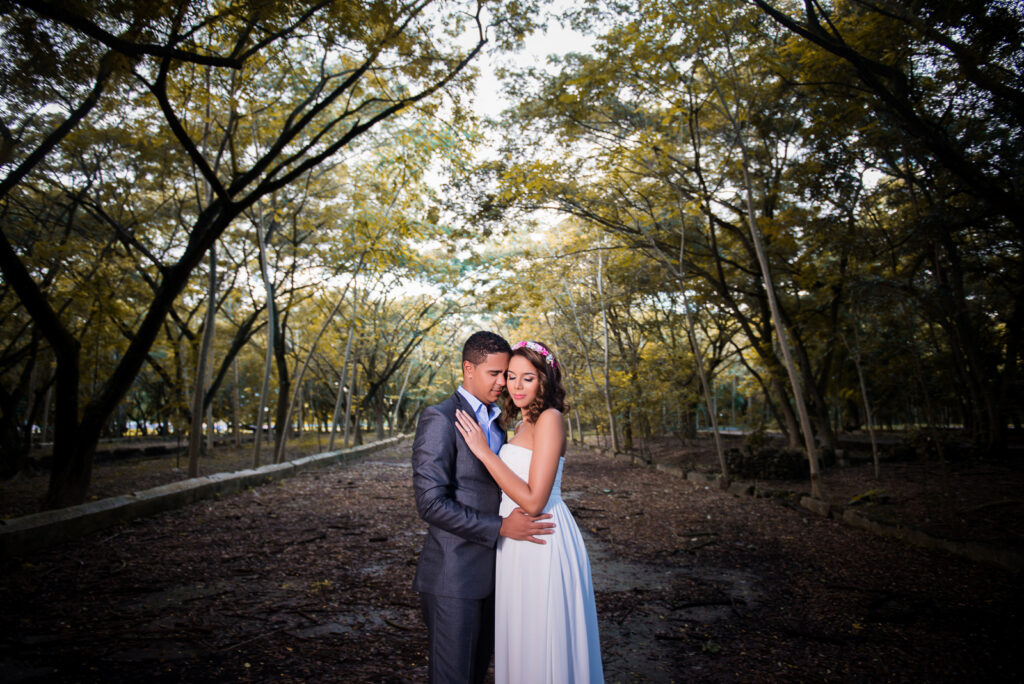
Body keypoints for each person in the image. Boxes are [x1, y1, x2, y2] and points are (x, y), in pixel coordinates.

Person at [455, 340, 604, 684]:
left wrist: (483, 451)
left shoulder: (550, 419)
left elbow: (535, 500)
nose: (516, 386)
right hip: (516, 542)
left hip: (542, 538)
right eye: (511, 377)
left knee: (543, 636)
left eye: (528, 378)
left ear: (544, 381)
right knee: (521, 637)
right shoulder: (518, 423)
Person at [412, 331, 556, 684]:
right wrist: (500, 527)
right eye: (495, 374)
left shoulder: (500, 419)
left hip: (499, 575)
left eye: (505, 375)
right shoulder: (441, 419)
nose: (503, 384)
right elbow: (430, 503)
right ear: (468, 369)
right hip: (455, 577)